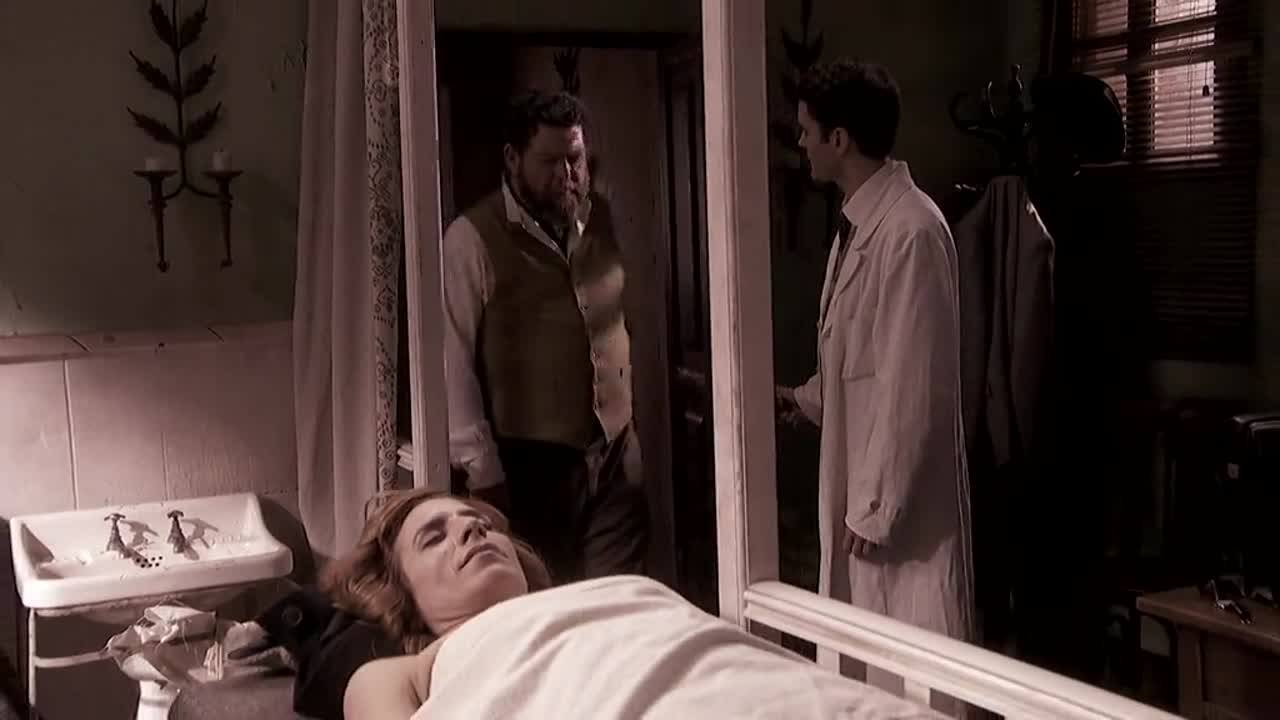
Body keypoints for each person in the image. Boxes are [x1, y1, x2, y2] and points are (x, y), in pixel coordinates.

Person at [336, 489, 941, 719]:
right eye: (434, 538)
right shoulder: (418, 668)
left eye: (479, 523)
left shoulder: (615, 593)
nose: (472, 529)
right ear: (404, 598)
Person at [774, 59, 976, 705]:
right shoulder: (860, 225)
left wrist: (878, 503)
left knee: (912, 676)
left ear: (839, 139)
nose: (800, 142)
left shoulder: (912, 230)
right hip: (864, 487)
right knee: (867, 675)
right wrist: (804, 400)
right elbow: (858, 352)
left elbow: (917, 378)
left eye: (807, 130)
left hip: (896, 510)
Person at [439, 89, 649, 583]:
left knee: (623, 597)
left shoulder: (603, 218)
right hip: (529, 467)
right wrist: (484, 473)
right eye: (549, 162)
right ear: (512, 159)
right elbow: (452, 363)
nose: (566, 175)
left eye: (574, 159)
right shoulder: (470, 238)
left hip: (616, 453)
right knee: (549, 598)